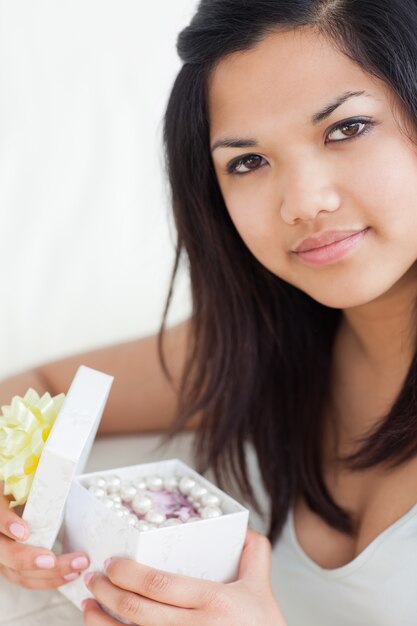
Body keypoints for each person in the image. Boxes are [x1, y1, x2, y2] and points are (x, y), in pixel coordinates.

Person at [2, 0, 417, 623]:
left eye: (346, 128)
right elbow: (40, 392)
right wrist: (14, 506)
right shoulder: (259, 349)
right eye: (247, 162)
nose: (302, 202)